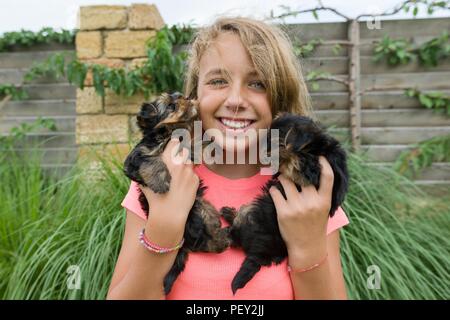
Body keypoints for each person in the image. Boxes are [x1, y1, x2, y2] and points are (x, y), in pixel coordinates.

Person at [107, 16, 350, 300]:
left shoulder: (309, 193)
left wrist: (308, 248)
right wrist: (163, 231)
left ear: (281, 100)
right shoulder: (159, 178)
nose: (235, 100)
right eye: (218, 81)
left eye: (258, 83)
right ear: (195, 94)